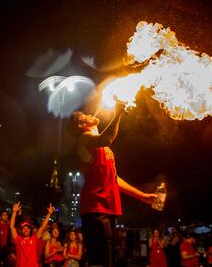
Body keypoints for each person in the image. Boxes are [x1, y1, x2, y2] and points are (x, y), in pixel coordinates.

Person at [66, 101, 157, 266]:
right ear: (81, 124)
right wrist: (118, 113)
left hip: (108, 208)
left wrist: (142, 196)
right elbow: (106, 138)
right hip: (95, 209)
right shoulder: (84, 139)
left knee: (108, 259)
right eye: (84, 115)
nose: (90, 113)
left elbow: (113, 178)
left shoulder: (103, 148)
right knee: (100, 261)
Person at [10, 201, 55, 267]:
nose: (26, 230)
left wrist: (49, 214)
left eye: (28, 228)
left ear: (30, 230)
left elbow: (42, 227)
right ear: (21, 230)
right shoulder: (18, 239)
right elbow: (11, 226)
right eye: (24, 228)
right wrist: (14, 212)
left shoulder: (34, 238)